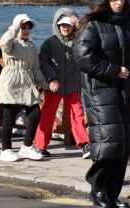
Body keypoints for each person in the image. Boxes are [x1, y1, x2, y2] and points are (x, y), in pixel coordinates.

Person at [74, 0, 130, 208]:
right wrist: (114, 70)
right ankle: (98, 191)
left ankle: (112, 195)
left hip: (126, 89)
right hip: (101, 92)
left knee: (123, 145)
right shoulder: (91, 24)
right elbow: (83, 57)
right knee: (108, 144)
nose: (119, 2)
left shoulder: (128, 21)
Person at [34, 8, 90, 158]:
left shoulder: (79, 42)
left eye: (68, 25)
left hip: (73, 86)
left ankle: (85, 145)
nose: (65, 28)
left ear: (73, 26)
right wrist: (52, 79)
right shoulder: (49, 43)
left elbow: (90, 42)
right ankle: (40, 146)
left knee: (78, 114)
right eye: (62, 25)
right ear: (57, 26)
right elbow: (43, 63)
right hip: (54, 87)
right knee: (47, 115)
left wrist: (80, 25)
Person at [0, 14, 46, 162]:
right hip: (11, 81)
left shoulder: (31, 45)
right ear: (17, 26)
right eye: (23, 27)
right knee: (9, 117)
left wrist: (43, 83)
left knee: (35, 113)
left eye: (28, 27)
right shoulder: (11, 42)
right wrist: (15, 26)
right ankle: (5, 150)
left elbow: (36, 67)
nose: (26, 30)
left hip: (27, 82)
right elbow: (4, 44)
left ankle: (26, 147)